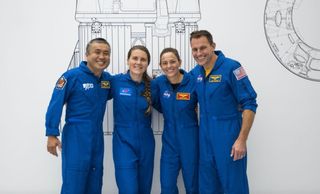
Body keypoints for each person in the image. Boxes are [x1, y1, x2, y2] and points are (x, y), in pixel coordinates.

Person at [189, 30, 257, 194]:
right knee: (207, 186)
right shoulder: (196, 73)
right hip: (204, 139)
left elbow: (250, 103)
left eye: (203, 48)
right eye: (195, 49)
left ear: (213, 46)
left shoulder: (232, 67)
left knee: (234, 186)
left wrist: (241, 140)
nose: (199, 53)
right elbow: (183, 92)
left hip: (228, 138)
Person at [45, 38, 112, 194]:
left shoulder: (107, 80)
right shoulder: (71, 77)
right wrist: (51, 133)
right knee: (74, 183)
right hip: (76, 137)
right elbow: (55, 103)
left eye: (106, 53)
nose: (102, 56)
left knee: (95, 181)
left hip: (97, 137)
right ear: (87, 55)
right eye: (97, 52)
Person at [152, 48, 199, 194]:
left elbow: (207, 101)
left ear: (179, 62)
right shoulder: (158, 83)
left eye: (172, 61)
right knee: (167, 186)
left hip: (190, 139)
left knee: (192, 185)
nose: (169, 65)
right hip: (170, 141)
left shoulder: (193, 82)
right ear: (161, 65)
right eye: (164, 63)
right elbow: (156, 103)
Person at [110, 45, 155, 194]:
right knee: (128, 189)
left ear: (147, 63)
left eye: (143, 59)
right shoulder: (116, 82)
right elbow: (95, 96)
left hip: (146, 142)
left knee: (144, 189)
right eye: (135, 58)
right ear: (128, 60)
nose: (138, 62)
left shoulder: (153, 86)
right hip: (123, 143)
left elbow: (169, 103)